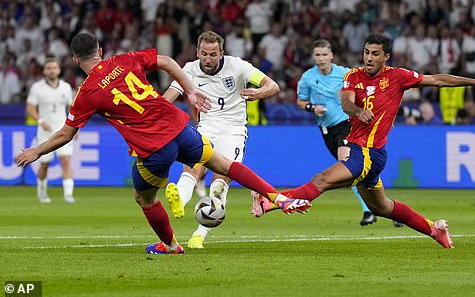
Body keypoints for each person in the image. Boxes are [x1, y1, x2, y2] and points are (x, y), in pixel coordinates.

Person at [15, 32, 311, 255]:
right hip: (180, 126)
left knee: (144, 198)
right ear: (101, 51)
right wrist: (191, 90)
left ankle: (170, 244)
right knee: (224, 165)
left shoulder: (87, 92)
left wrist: (36, 150)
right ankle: (277, 197)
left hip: (153, 148)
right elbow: (168, 62)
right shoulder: (123, 59)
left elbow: (67, 133)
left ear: (75, 60)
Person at [253, 32, 475, 248]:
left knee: (323, 179)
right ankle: (435, 229)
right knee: (382, 208)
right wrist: (358, 111)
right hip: (363, 151)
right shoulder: (353, 76)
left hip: (369, 153)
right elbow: (346, 102)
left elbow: (438, 80)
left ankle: (271, 200)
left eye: (375, 54)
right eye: (366, 52)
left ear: (386, 57)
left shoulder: (398, 77)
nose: (368, 58)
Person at [162, 31, 280, 249]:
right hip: (206, 127)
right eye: (204, 54)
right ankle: (179, 196)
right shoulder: (189, 70)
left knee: (221, 179)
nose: (208, 59)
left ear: (222, 53)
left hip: (233, 130)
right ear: (197, 52)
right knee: (193, 168)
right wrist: (155, 114)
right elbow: (168, 97)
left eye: (213, 54)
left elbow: (272, 85)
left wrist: (259, 93)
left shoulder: (238, 67)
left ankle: (200, 233)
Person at [297, 38, 399, 227]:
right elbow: (300, 101)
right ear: (313, 57)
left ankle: (369, 211)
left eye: (324, 54)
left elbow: (368, 94)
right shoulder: (307, 78)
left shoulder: (345, 74)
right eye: (317, 55)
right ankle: (386, 208)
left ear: (331, 56)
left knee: (348, 166)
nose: (321, 59)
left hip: (348, 125)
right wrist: (312, 108)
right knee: (356, 173)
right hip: (327, 129)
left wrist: (381, 119)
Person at [26, 57, 76, 203]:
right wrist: (40, 121)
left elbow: (71, 108)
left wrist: (75, 127)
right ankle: (41, 192)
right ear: (44, 71)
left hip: (63, 130)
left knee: (66, 160)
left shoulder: (66, 87)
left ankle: (68, 195)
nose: (52, 70)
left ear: (59, 70)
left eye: (54, 67)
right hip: (45, 131)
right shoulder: (37, 87)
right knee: (44, 163)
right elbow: (30, 108)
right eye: (49, 68)